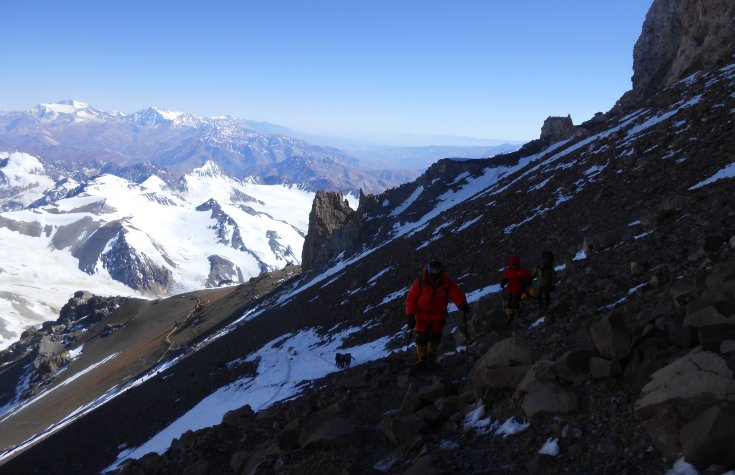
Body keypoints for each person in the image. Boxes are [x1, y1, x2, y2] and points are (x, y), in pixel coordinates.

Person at [405, 260, 469, 370]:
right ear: (429, 270)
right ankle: (422, 359)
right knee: (422, 338)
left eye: (437, 270)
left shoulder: (446, 283)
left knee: (435, 337)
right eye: (433, 270)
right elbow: (411, 298)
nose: (435, 272)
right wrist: (410, 315)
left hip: (438, 317)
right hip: (422, 316)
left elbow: (455, 293)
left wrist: (462, 303)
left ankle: (431, 356)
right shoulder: (420, 283)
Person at [501, 255, 532, 323]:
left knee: (515, 302)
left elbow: (530, 278)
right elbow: (506, 278)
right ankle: (509, 315)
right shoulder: (508, 271)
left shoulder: (523, 271)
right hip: (510, 289)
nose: (514, 266)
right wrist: (503, 282)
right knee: (508, 303)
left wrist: (526, 282)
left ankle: (517, 313)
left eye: (516, 264)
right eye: (513, 264)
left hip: (519, 290)